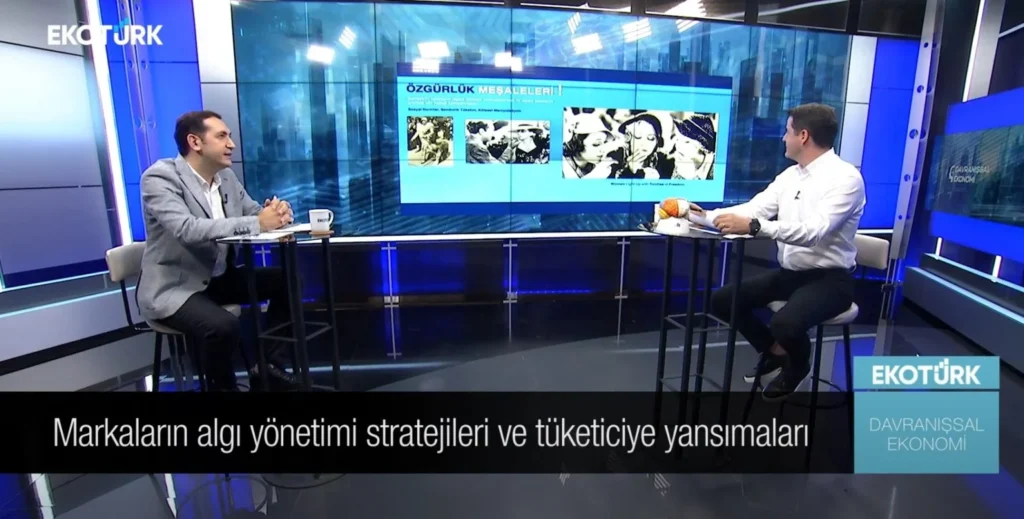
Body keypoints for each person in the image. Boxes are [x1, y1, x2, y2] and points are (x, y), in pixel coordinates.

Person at [689, 103, 865, 402]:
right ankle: (774, 352)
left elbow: (812, 232)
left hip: (831, 280)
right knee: (723, 300)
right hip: (791, 275)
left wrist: (756, 227)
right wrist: (702, 216)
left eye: (787, 131)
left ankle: (798, 365)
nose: (784, 138)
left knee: (785, 323)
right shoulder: (790, 176)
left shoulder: (846, 179)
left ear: (803, 136)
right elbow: (753, 209)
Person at [137, 110, 300, 392]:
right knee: (223, 326)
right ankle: (223, 389)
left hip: (218, 279)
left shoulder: (226, 177)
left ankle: (269, 367)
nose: (231, 144)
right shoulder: (160, 178)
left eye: (230, 136)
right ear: (195, 142)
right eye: (222, 136)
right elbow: (187, 229)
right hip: (176, 288)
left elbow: (253, 213)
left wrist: (277, 214)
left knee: (290, 280)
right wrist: (258, 222)